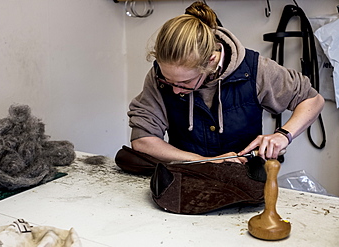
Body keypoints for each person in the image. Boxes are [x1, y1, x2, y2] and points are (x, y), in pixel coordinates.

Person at [127, 2, 324, 166]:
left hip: (247, 183)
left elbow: (312, 99)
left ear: (212, 60)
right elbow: (143, 140)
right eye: (168, 81)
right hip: (186, 179)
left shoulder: (256, 70)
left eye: (185, 82)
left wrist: (283, 135)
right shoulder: (158, 77)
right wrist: (205, 161)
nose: (175, 89)